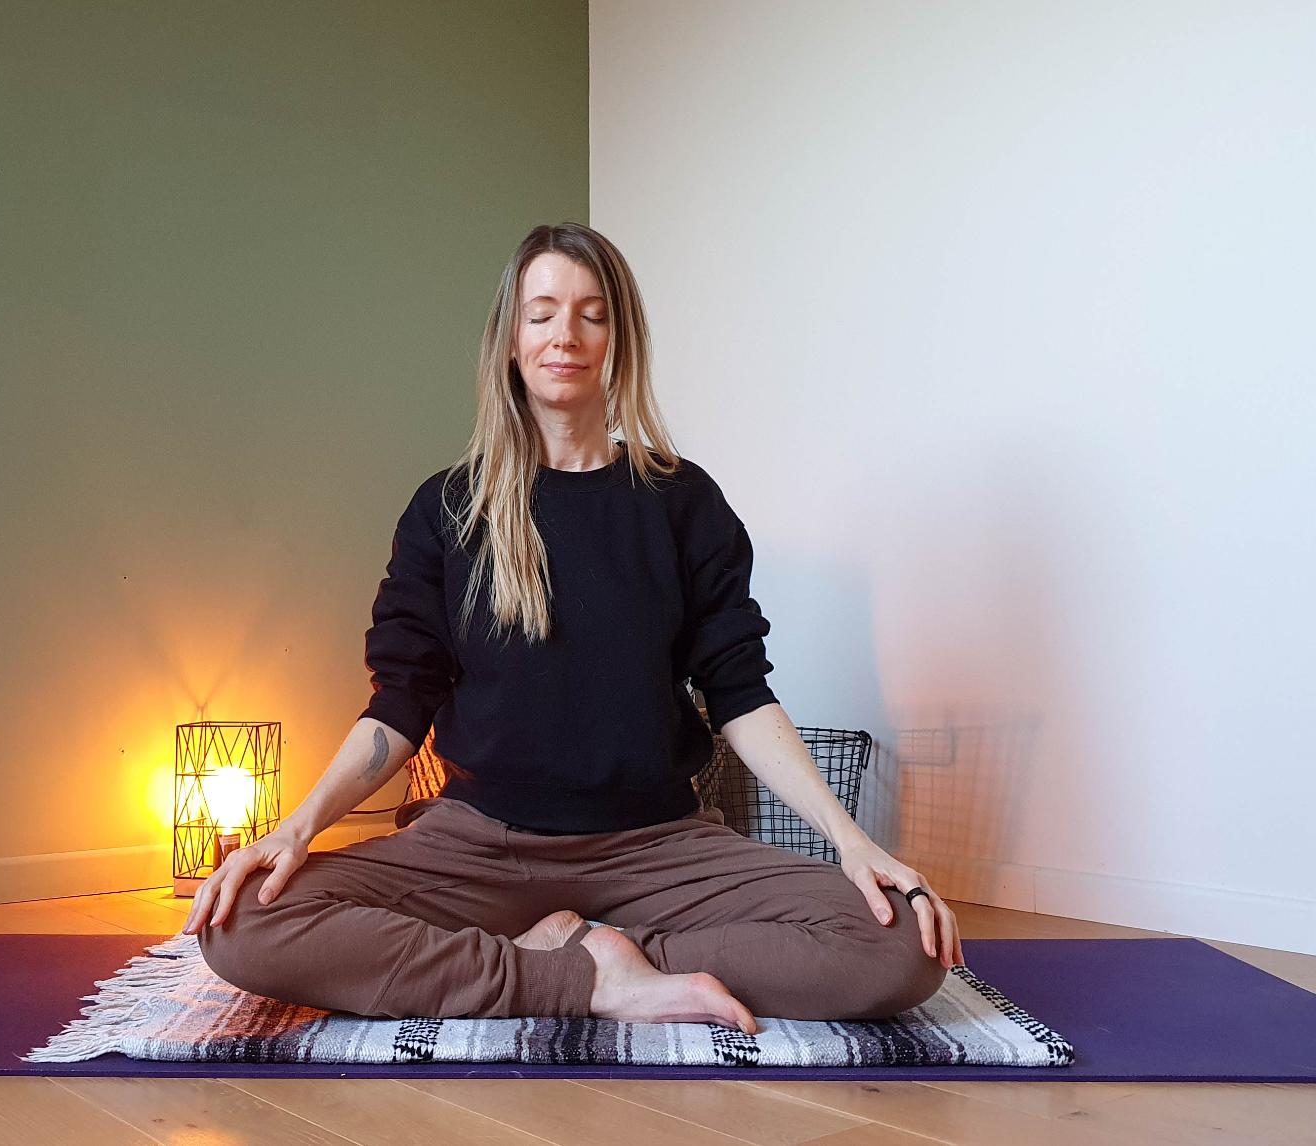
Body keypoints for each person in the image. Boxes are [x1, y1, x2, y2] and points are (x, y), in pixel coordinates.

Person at [185, 223, 958, 1031]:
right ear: (510, 340)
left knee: (903, 943)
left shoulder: (683, 502)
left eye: (592, 315)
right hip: (480, 844)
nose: (566, 335)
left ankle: (602, 953)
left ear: (620, 340)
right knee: (241, 922)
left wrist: (850, 840)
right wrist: (297, 828)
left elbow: (740, 693)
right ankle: (592, 978)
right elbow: (400, 705)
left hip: (658, 845)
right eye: (543, 313)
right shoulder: (448, 509)